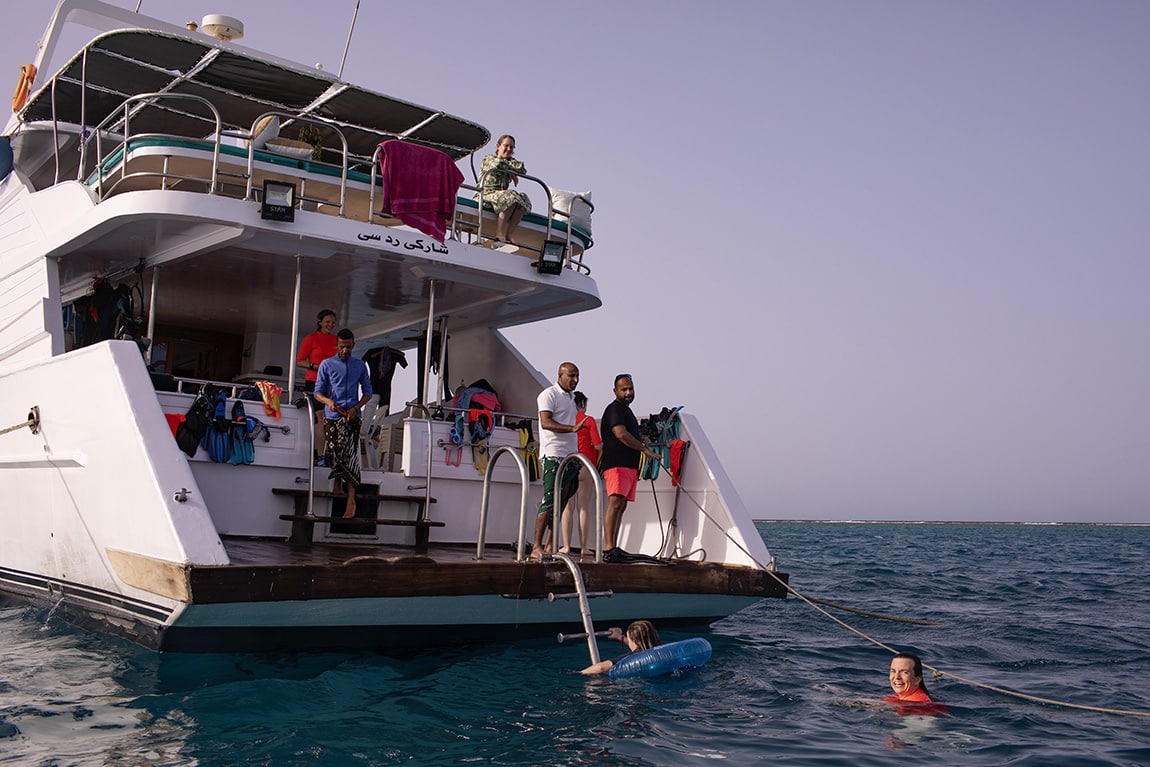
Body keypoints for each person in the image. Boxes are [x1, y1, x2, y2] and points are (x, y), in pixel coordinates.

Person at [600, 374, 660, 562]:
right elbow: (620, 433)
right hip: (616, 464)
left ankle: (614, 547)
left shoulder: (626, 411)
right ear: (615, 391)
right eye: (624, 389)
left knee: (621, 505)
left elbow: (629, 433)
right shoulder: (615, 409)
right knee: (615, 503)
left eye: (630, 389)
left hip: (628, 466)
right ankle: (609, 548)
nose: (628, 392)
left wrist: (641, 439)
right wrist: (643, 449)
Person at [314, 329, 373, 518]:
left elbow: (368, 392)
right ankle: (338, 482)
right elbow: (317, 392)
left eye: (348, 347)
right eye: (341, 347)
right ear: (336, 346)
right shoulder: (327, 364)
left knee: (350, 456)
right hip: (333, 416)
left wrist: (356, 408)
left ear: (353, 345)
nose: (345, 350)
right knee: (336, 452)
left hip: (352, 416)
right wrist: (328, 402)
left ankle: (351, 498)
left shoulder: (360, 365)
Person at [531, 362, 583, 560]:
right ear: (560, 375)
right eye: (571, 376)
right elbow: (545, 422)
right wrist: (572, 429)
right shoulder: (548, 395)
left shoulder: (571, 398)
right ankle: (536, 546)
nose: (575, 380)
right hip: (553, 454)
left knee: (561, 501)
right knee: (549, 499)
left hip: (570, 455)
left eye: (577, 376)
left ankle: (549, 545)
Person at [560, 391, 601, 561]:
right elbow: (597, 445)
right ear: (582, 403)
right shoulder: (588, 420)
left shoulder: (565, 421)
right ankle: (584, 548)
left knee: (567, 508)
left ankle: (566, 546)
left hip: (569, 465)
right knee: (583, 508)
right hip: (586, 466)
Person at [296, 309, 338, 463]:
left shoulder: (336, 340)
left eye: (333, 322)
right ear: (320, 322)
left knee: (332, 418)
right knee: (320, 416)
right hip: (314, 381)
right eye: (327, 322)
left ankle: (330, 454)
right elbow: (300, 361)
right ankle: (320, 456)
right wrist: (315, 366)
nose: (330, 325)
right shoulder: (311, 339)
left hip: (332, 383)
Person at [477, 134, 530, 245]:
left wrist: (511, 169)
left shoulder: (510, 161)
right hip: (485, 194)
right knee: (511, 195)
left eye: (512, 147)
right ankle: (499, 232)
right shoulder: (488, 159)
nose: (509, 149)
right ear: (498, 146)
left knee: (524, 198)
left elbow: (522, 169)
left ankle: (509, 234)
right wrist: (511, 170)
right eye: (506, 146)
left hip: (501, 196)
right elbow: (498, 164)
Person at [581, 620, 661, 675]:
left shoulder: (631, 658)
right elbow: (639, 645)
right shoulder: (660, 652)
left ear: (633, 640)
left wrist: (580, 673)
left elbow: (601, 667)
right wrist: (620, 637)